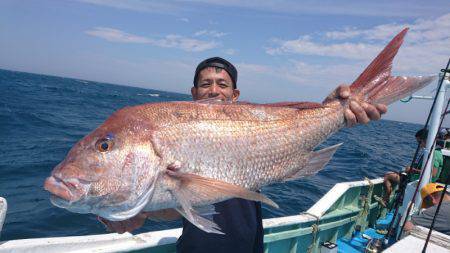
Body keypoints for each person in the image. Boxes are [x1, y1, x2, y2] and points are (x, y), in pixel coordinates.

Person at [99, 57, 387, 252]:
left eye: (222, 84)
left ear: (235, 96)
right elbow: (176, 204)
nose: (214, 90)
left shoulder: (251, 128)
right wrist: (141, 213)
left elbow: (291, 127)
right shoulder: (179, 135)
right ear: (193, 93)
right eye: (205, 84)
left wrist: (333, 109)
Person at [383, 129, 443, 205]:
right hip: (418, 180)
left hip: (416, 182)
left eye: (419, 142)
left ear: (426, 140)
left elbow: (433, 173)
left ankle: (386, 198)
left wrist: (412, 169)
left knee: (388, 175)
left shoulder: (435, 154)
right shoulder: (435, 151)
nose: (419, 145)